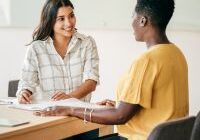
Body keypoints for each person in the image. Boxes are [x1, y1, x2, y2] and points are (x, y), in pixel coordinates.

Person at [34, 0, 189, 139]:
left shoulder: (147, 61)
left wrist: (70, 109)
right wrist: (119, 105)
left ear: (142, 20)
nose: (132, 22)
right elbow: (157, 106)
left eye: (133, 16)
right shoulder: (176, 54)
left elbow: (120, 117)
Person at [16, 0, 99, 104]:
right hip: (48, 113)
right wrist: (24, 92)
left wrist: (69, 98)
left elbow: (91, 82)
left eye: (71, 16)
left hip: (79, 114)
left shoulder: (87, 43)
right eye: (61, 19)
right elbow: (27, 82)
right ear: (50, 22)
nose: (69, 23)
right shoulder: (36, 49)